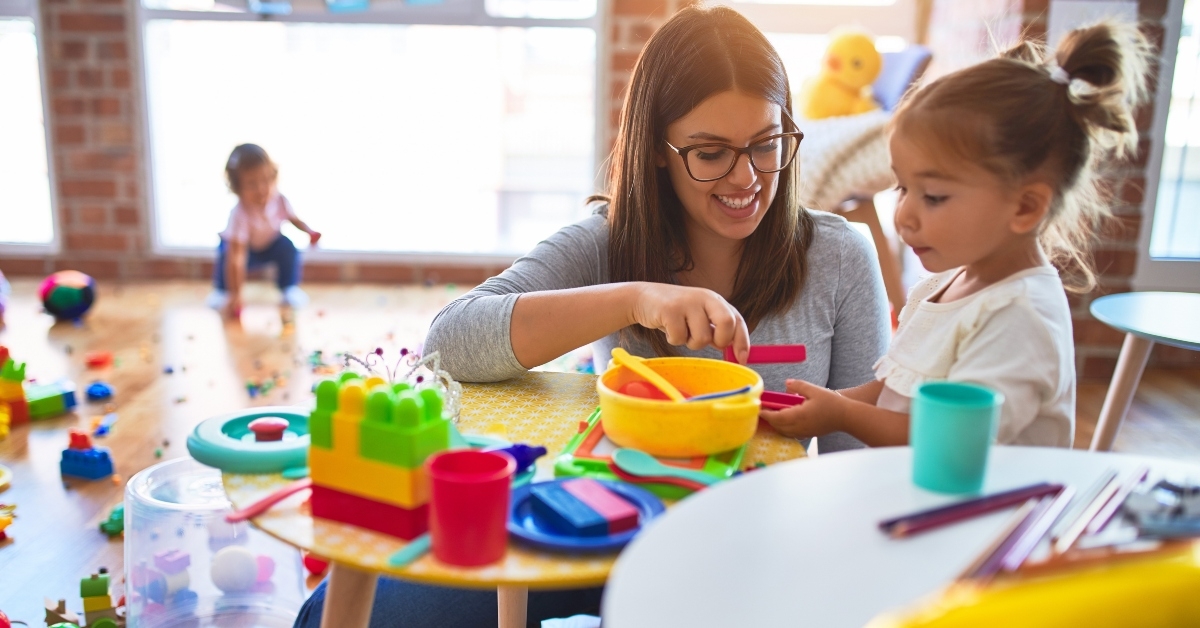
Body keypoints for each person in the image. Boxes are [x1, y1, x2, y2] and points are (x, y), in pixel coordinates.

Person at [294, 6, 889, 627]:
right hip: (603, 531)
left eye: (766, 145)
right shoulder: (606, 243)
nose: (747, 177)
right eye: (710, 153)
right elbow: (449, 342)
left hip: (760, 551)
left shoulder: (840, 256)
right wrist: (635, 298)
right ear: (657, 150)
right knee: (325, 615)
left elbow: (861, 470)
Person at [763, 21, 1152, 448]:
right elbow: (901, 390)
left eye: (933, 196)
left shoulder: (1019, 317)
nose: (904, 216)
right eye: (902, 188)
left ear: (1025, 207)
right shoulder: (949, 284)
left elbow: (947, 440)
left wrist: (841, 414)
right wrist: (829, 401)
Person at [206, 144, 321, 318]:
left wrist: (309, 231)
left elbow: (293, 219)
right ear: (238, 187)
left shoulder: (279, 199)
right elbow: (237, 258)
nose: (261, 189)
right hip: (245, 250)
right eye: (252, 184)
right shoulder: (239, 214)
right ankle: (223, 291)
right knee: (227, 254)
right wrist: (237, 294)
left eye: (265, 180)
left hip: (270, 245)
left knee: (288, 248)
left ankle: (289, 288)